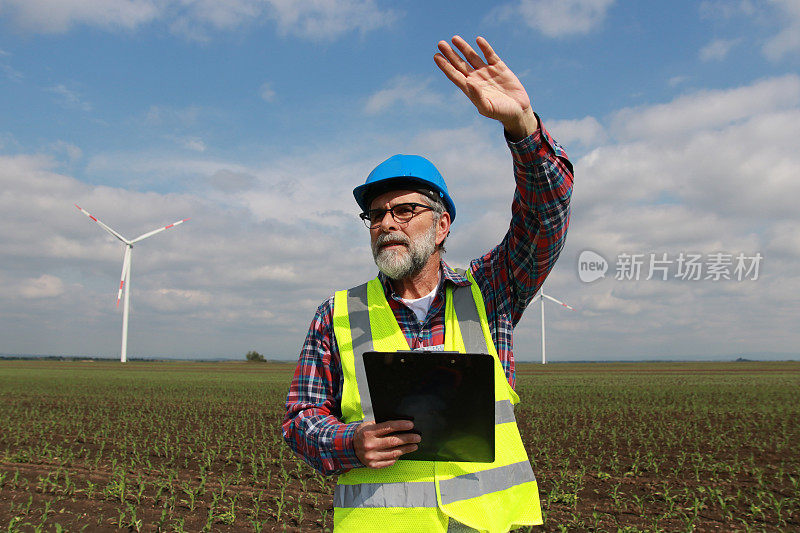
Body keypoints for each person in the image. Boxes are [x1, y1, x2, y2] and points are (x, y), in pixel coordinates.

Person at [283, 35, 573, 532]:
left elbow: (544, 220)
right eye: (374, 215)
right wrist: (346, 441)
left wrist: (522, 127)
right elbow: (300, 417)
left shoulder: (490, 292)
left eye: (405, 210)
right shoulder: (336, 313)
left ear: (441, 226)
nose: (386, 223)